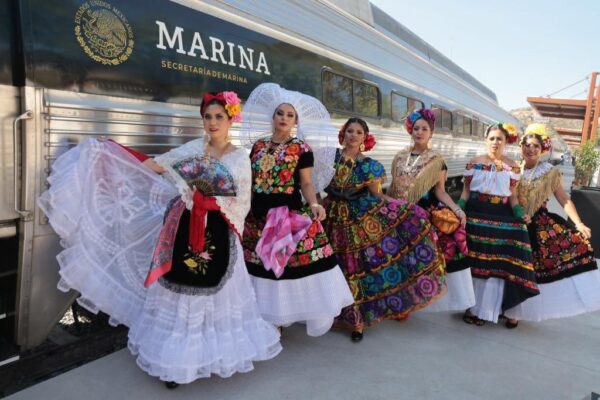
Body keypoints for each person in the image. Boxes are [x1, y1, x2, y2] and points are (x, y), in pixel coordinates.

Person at [38, 91, 281, 388]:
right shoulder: (194, 147)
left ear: (231, 119)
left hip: (218, 231)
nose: (213, 122)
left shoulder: (238, 156)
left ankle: (212, 354)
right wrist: (112, 154)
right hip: (184, 226)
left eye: (219, 117)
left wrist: (210, 200)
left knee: (214, 294)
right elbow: (155, 165)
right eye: (207, 117)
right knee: (180, 289)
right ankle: (179, 361)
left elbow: (240, 198)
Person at [241, 83, 354, 337]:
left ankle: (278, 319)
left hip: (284, 214)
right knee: (259, 269)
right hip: (257, 215)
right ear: (273, 116)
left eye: (290, 115)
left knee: (279, 269)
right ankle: (263, 316)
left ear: (296, 121)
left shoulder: (301, 149)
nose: (284, 118)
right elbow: (249, 179)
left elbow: (305, 183)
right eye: (280, 113)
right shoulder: (258, 147)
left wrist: (314, 204)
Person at [322, 117, 447, 341]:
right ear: (343, 134)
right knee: (330, 266)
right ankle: (325, 313)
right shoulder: (329, 158)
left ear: (364, 138)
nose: (353, 135)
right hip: (329, 216)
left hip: (355, 220)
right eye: (349, 131)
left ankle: (356, 321)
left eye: (358, 132)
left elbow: (378, 195)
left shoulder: (370, 165)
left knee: (352, 269)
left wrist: (406, 209)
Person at [504, 123, 600, 321]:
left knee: (529, 268)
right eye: (527, 144)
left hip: (536, 225)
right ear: (521, 146)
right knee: (507, 265)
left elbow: (564, 199)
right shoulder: (512, 168)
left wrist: (579, 223)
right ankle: (502, 305)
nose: (530, 149)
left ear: (542, 150)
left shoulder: (550, 172)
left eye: (535, 146)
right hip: (511, 220)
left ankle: (518, 312)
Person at [388, 109, 474, 312]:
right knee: (396, 256)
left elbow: (441, 192)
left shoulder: (437, 160)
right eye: (416, 128)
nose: (419, 132)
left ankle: (415, 298)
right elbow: (393, 186)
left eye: (424, 129)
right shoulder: (399, 157)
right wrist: (386, 205)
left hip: (421, 215)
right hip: (397, 212)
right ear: (411, 130)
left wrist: (456, 209)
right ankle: (397, 297)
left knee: (417, 258)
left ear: (431, 132)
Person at [457, 123, 539, 327]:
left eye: (499, 139)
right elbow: (466, 192)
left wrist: (521, 214)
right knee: (476, 262)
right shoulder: (474, 163)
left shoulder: (513, 167)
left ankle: (491, 309)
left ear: (506, 142)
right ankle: (472, 308)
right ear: (486, 140)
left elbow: (513, 197)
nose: (495, 142)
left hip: (501, 216)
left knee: (498, 263)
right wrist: (458, 208)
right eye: (492, 138)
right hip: (476, 213)